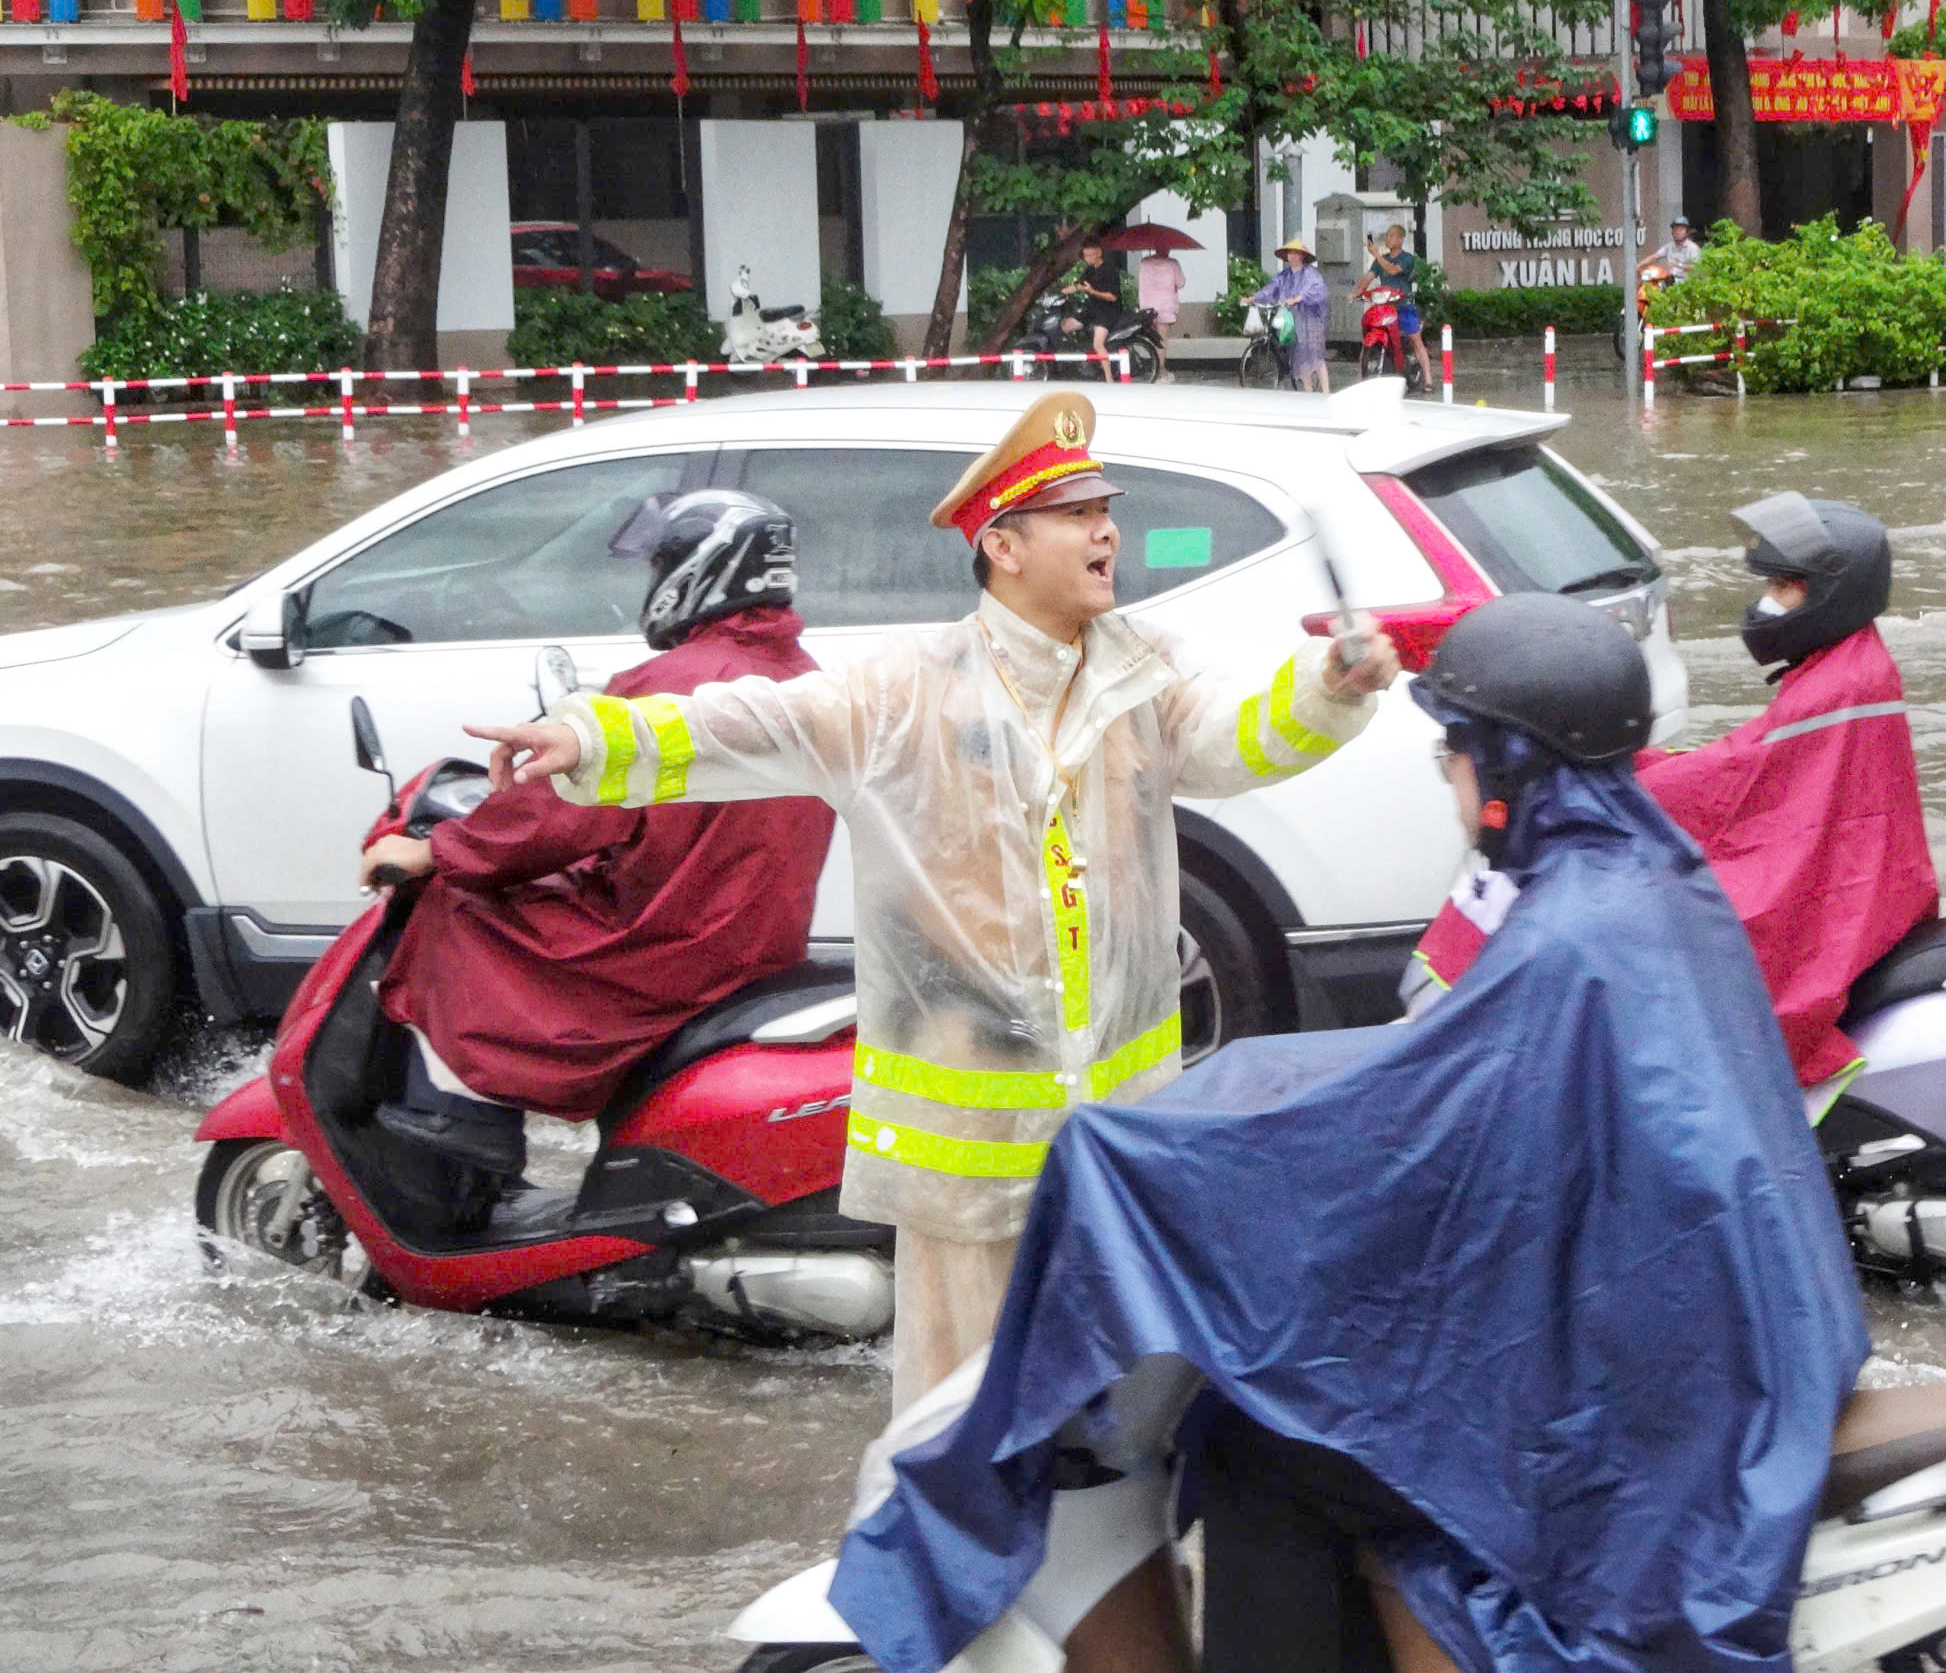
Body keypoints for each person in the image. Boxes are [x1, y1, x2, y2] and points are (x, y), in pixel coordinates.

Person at [818, 591, 1869, 1673]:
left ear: (1502, 770)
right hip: (1712, 1325)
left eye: (1453, 755)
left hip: (1627, 1384)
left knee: (1271, 1452)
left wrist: (1155, 1154)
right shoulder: (1645, 878)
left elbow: (1415, 1121)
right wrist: (1253, 1090)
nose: (1450, 782)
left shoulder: (1568, 938)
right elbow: (1455, 1093)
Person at [465, 389, 1400, 1417]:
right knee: (958, 1416)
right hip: (965, 1146)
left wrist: (1330, 686)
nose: (1106, 531)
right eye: (1077, 514)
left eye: (1106, 509)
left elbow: (1238, 739)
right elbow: (750, 723)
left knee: (1116, 1409)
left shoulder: (1142, 669)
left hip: (1117, 1133)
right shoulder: (906, 690)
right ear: (1003, 544)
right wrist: (591, 740)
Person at [1404, 494, 1935, 1119]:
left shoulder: (1844, 685)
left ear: (1830, 593)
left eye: (1785, 587)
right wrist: (1654, 766)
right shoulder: (1846, 666)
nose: (1768, 600)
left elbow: (1748, 781)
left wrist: (1611, 787)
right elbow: (1754, 761)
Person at [360, 489, 837, 1181]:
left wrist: (436, 850)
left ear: (700, 571)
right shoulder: (802, 679)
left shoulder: (674, 682)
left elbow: (556, 810)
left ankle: (465, 1116)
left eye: (661, 565)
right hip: (749, 939)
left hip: (665, 940)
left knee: (453, 909)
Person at [1248, 236, 1332, 392]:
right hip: (1294, 319)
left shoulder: (1311, 273)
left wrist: (1299, 298)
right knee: (1300, 355)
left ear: (1302, 256)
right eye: (1290, 253)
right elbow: (1270, 289)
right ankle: (1308, 392)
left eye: (1296, 253)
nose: (1292, 256)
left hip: (1312, 319)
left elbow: (1315, 290)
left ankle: (1326, 392)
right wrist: (1253, 298)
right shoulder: (1284, 275)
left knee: (1315, 354)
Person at [1360, 225, 1431, 382]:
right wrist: (1358, 291)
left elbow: (1393, 270)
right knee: (1366, 336)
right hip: (1384, 308)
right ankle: (1361, 374)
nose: (1388, 239)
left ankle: (1428, 379)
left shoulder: (1407, 258)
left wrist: (1377, 255)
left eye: (1392, 236)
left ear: (1401, 239)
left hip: (1403, 305)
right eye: (1387, 235)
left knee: (1415, 339)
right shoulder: (1381, 260)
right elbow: (1368, 277)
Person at [1063, 236, 1125, 367]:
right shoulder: (1090, 270)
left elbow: (1112, 297)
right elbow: (1078, 285)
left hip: (1108, 311)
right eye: (1085, 255)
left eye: (1091, 255)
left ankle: (1109, 380)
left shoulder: (1109, 269)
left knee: (1098, 344)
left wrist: (1092, 292)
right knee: (1064, 326)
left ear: (1099, 252)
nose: (1088, 258)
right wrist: (1062, 292)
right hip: (1092, 309)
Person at [1135, 242, 1186, 366]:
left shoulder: (1144, 262)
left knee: (1152, 339)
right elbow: (1181, 283)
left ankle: (1153, 366)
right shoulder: (1173, 263)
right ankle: (1160, 370)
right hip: (1165, 307)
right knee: (1161, 340)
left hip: (1147, 307)